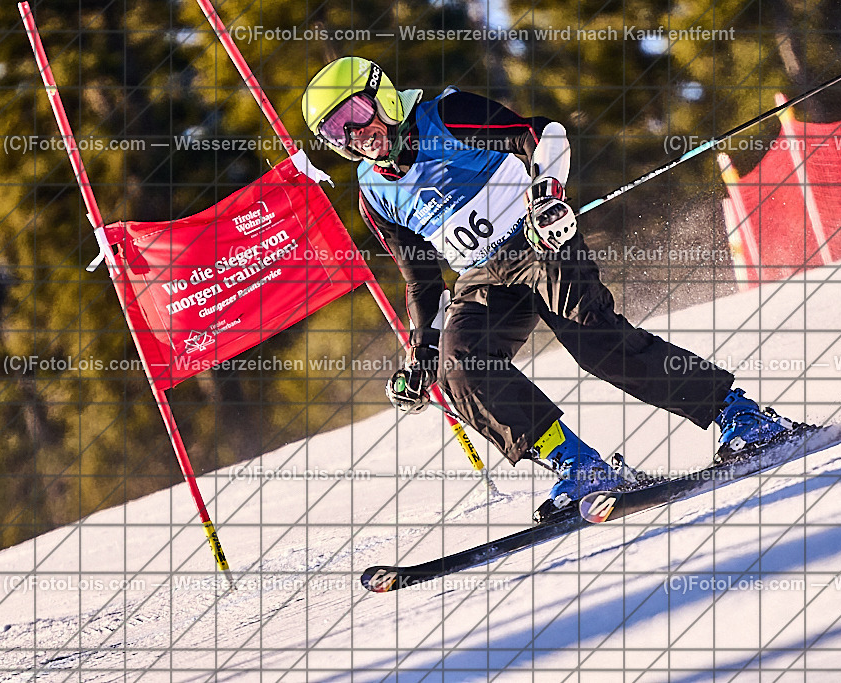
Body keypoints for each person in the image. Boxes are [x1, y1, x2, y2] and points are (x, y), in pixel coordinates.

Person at [302, 57, 799, 522]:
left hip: (537, 237)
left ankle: (739, 414)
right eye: (335, 130)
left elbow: (543, 134)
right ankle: (580, 466)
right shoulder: (373, 194)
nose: (354, 134)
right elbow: (422, 279)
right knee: (461, 368)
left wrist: (547, 193)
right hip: (481, 278)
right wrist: (421, 353)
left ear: (383, 96)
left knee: (594, 341)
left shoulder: (446, 116)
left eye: (355, 113)